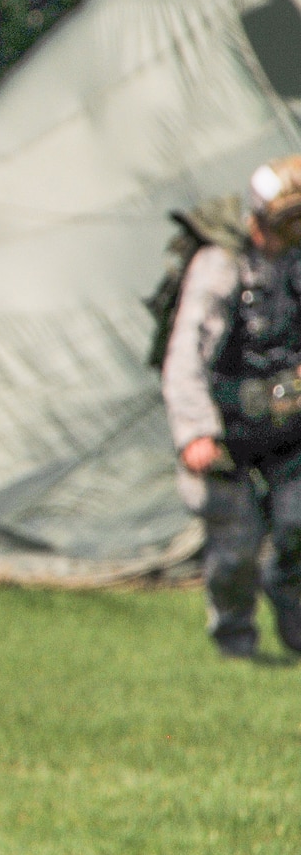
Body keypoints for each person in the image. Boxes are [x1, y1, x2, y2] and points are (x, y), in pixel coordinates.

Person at [164, 155, 301, 658]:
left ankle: (294, 617)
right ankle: (235, 642)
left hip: (290, 428)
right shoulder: (221, 266)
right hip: (224, 430)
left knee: (298, 526)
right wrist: (195, 432)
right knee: (235, 548)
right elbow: (185, 357)